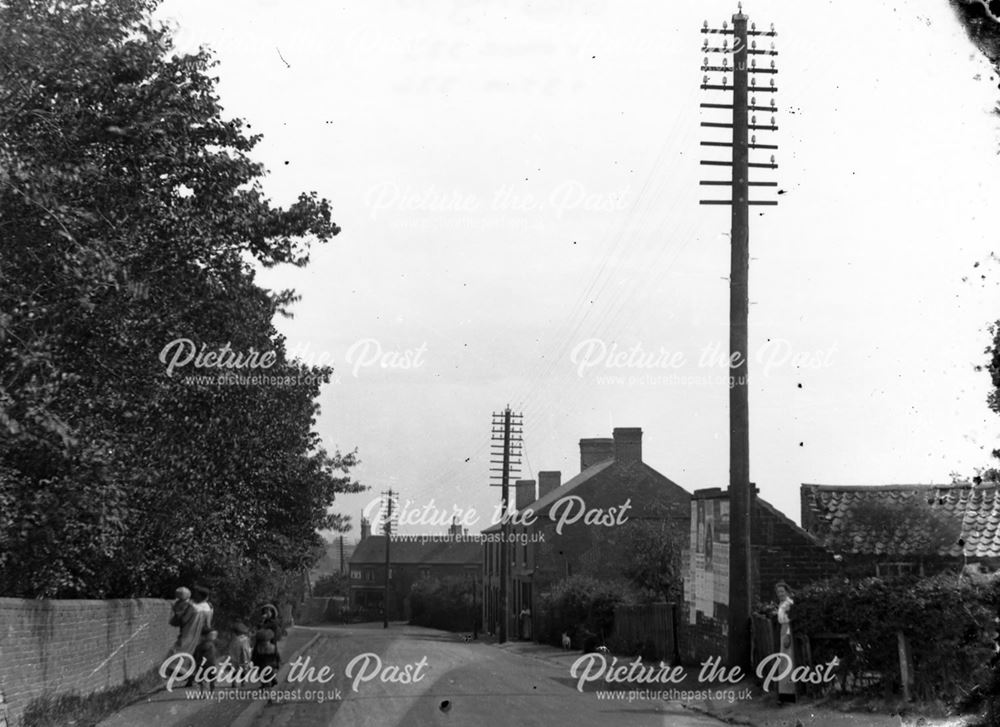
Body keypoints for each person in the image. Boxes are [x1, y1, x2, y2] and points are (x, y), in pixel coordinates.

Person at [775, 581, 796, 703]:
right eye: (778, 592)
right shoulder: (782, 603)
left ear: (787, 592)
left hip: (787, 632)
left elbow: (789, 620)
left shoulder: (789, 604)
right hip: (783, 631)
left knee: (788, 662)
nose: (780, 594)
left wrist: (788, 634)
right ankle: (783, 693)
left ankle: (789, 693)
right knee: (783, 662)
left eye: (782, 591)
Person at [191, 627, 219, 693]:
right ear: (205, 636)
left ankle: (204, 691)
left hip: (204, 665)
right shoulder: (207, 645)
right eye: (212, 635)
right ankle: (210, 690)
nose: (214, 637)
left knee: (203, 679)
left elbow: (195, 655)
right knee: (211, 678)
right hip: (208, 665)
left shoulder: (202, 645)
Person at [227, 621, 253, 687]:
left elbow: (231, 648)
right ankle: (242, 682)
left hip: (236, 657)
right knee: (243, 669)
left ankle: (234, 682)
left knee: (235, 670)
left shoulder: (234, 639)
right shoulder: (245, 639)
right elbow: (247, 648)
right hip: (243, 657)